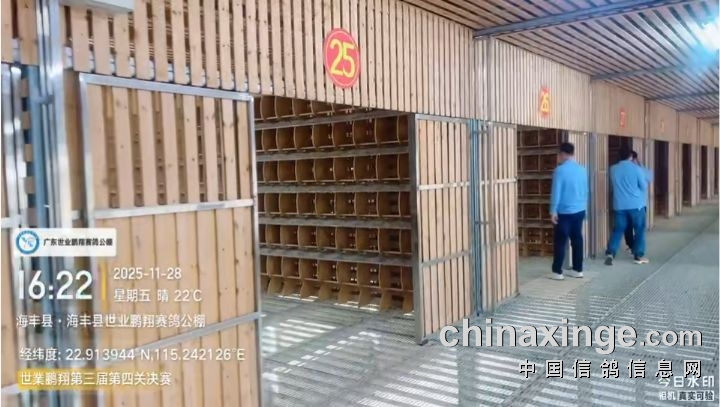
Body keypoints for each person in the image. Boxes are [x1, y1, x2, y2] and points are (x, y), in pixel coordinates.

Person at [549, 142, 589, 280]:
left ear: (562, 154)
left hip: (564, 212)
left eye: (559, 154)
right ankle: (578, 270)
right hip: (579, 210)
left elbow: (556, 192)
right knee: (577, 239)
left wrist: (553, 210)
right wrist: (585, 207)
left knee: (560, 241)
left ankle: (557, 271)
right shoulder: (582, 169)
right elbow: (586, 191)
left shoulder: (559, 171)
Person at [605, 147, 650, 265]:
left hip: (619, 205)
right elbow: (644, 186)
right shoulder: (636, 169)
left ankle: (611, 253)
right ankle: (638, 256)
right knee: (639, 230)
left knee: (618, 229)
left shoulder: (613, 169)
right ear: (630, 156)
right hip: (636, 205)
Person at [623, 150, 653, 254]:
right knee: (635, 227)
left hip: (629, 204)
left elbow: (649, 177)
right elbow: (648, 180)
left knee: (631, 227)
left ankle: (633, 246)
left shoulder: (634, 169)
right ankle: (633, 247)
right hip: (637, 204)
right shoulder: (637, 170)